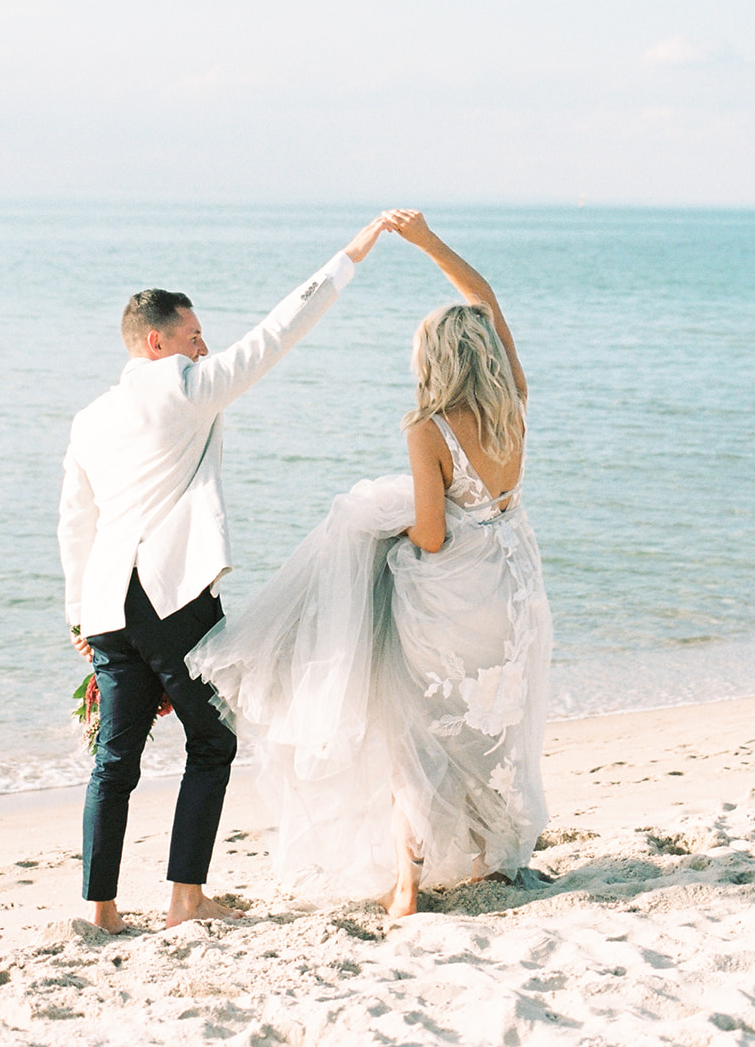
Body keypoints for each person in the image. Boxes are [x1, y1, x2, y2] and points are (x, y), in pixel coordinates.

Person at [186, 209, 552, 916]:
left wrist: (383, 534)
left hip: (449, 593)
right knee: (485, 723)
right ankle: (488, 857)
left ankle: (410, 881)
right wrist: (427, 243)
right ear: (486, 356)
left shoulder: (428, 426)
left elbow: (433, 534)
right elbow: (488, 303)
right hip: (510, 587)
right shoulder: (515, 401)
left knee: (408, 722)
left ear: (433, 361)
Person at [57, 217, 388, 933]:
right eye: (192, 334)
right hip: (170, 597)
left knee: (114, 762)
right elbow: (277, 332)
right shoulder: (181, 389)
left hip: (109, 605)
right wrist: (348, 255)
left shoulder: (89, 419)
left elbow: (74, 523)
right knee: (212, 742)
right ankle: (184, 899)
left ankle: (102, 910)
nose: (203, 345)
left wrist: (78, 615)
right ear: (157, 342)